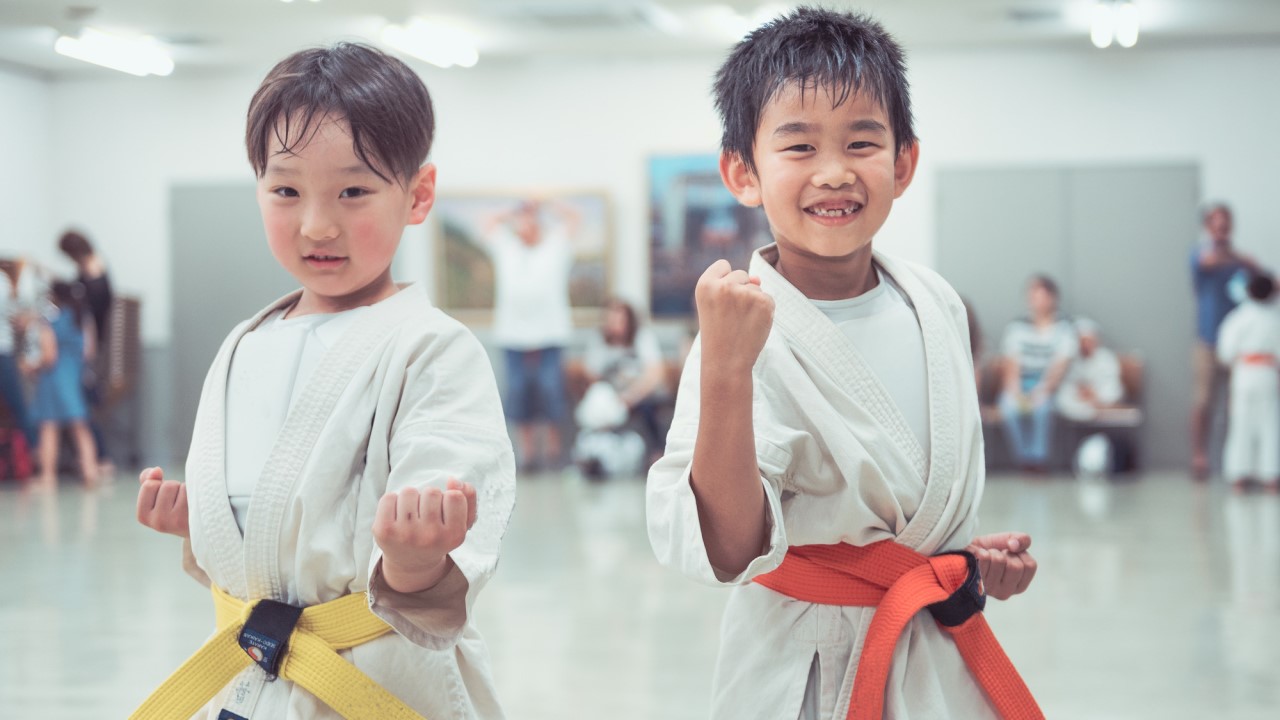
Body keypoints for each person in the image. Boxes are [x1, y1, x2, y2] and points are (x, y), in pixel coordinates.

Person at [646, 9, 1041, 720]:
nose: (835, 172)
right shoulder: (742, 326)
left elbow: (906, 509)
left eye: (862, 141)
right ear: (743, 172)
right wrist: (726, 372)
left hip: (935, 648)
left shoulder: (937, 302)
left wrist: (961, 560)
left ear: (903, 162)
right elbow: (730, 547)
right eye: (798, 147)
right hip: (806, 666)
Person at [131, 43, 515, 719]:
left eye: (353, 191)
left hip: (376, 677)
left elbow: (437, 536)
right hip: (252, 673)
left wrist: (412, 557)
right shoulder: (243, 344)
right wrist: (209, 526)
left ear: (418, 194)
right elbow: (271, 523)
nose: (316, 224)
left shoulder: (433, 349)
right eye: (286, 190)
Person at [484, 199, 578, 471]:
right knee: (517, 392)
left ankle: (552, 450)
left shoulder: (555, 247)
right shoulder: (507, 248)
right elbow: (487, 222)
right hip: (512, 335)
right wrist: (515, 210)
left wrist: (545, 206)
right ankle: (526, 453)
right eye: (521, 222)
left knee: (551, 390)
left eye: (531, 221)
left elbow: (574, 218)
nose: (526, 227)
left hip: (551, 334)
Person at [1190, 203, 1258, 480]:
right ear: (1208, 227)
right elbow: (1208, 261)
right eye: (1216, 225)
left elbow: (1264, 283)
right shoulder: (1200, 254)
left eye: (1225, 225)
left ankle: (1238, 464)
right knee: (1203, 402)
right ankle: (1199, 457)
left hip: (1239, 347)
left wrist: (1251, 265)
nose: (1221, 231)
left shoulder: (1241, 266)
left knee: (1237, 404)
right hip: (1207, 343)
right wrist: (1242, 259)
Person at [998, 275, 1077, 472]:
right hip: (1021, 382)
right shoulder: (1017, 327)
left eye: (1040, 295)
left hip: (1048, 385)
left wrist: (1042, 390)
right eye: (1032, 295)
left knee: (1042, 409)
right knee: (1009, 408)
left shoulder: (1064, 328)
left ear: (1052, 298)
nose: (1035, 300)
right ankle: (1024, 460)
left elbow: (1060, 366)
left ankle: (1039, 460)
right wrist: (1015, 391)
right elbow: (1011, 363)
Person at [23, 281, 98, 487]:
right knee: (80, 427)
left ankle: (48, 476)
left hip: (53, 380)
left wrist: (31, 367)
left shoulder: (50, 321)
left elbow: (49, 356)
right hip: (74, 377)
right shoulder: (82, 319)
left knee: (49, 428)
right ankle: (90, 471)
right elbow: (88, 351)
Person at [57, 230, 115, 475]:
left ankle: (100, 459)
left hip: (92, 347)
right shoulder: (90, 270)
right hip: (88, 345)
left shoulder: (95, 272)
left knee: (83, 405)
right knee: (82, 403)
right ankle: (95, 458)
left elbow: (93, 312)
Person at [1217, 273, 1280, 492]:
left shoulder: (1238, 318)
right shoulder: (1274, 319)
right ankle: (1271, 476)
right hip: (1267, 374)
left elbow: (1226, 352)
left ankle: (1238, 475)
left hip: (1244, 373)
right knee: (1269, 425)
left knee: (1240, 424)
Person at [581, 298, 668, 453]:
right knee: (595, 408)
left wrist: (630, 396)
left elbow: (654, 374)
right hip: (611, 396)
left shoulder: (642, 337)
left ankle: (656, 453)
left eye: (620, 318)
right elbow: (591, 374)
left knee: (649, 410)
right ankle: (596, 455)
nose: (615, 322)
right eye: (611, 318)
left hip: (641, 395)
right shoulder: (599, 341)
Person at [1056, 317, 1124, 422]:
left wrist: (1095, 395)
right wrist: (1080, 393)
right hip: (1076, 404)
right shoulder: (1072, 360)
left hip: (1101, 401)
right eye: (1082, 341)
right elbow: (1066, 386)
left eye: (1089, 341)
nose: (1086, 345)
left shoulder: (1106, 359)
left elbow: (1113, 388)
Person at [0, 265, 37, 451]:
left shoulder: (2, 283)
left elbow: (20, 319)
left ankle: (35, 452)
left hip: (3, 353)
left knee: (18, 406)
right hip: (5, 353)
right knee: (18, 406)